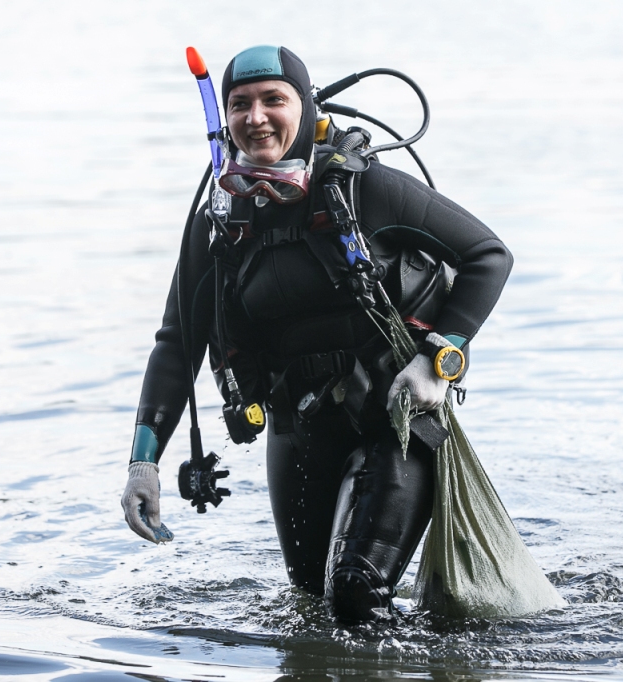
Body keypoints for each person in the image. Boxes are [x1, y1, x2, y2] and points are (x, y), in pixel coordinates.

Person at [120, 44, 512, 623]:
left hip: (395, 424)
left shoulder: (368, 190)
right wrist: (142, 464)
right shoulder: (218, 223)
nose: (256, 118)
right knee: (310, 606)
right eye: (240, 104)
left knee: (355, 594)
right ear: (223, 119)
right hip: (297, 432)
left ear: (303, 107)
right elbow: (178, 343)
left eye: (273, 100)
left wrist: (439, 355)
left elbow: (488, 256)